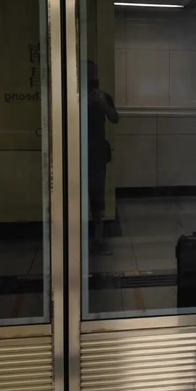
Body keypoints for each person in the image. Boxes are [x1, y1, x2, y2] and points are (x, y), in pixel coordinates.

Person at [86, 60, 119, 251]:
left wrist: (103, 103)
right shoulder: (76, 97)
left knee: (97, 190)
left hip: (97, 150)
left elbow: (114, 118)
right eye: (89, 73)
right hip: (79, 148)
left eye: (93, 73)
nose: (92, 77)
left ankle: (99, 233)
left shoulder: (103, 96)